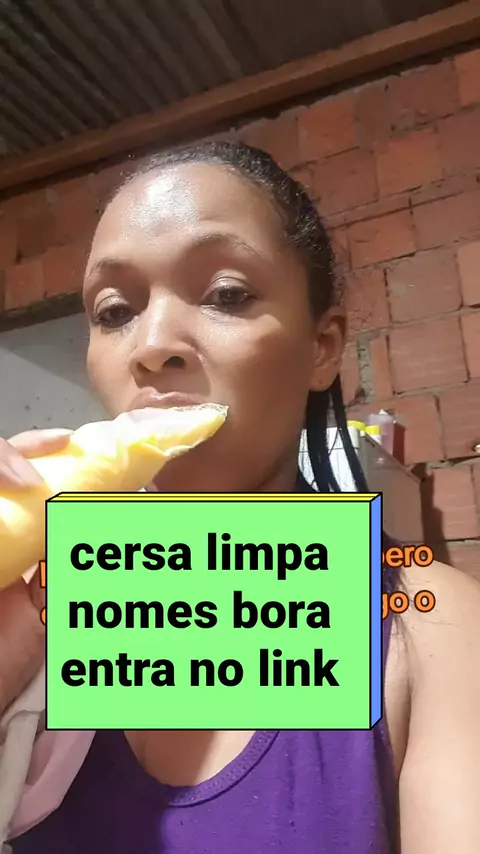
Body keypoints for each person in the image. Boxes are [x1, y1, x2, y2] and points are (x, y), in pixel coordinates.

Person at [0, 140, 479, 854]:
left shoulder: (432, 630)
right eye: (115, 310)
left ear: (322, 347)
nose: (151, 345)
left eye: (226, 294)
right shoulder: (39, 609)